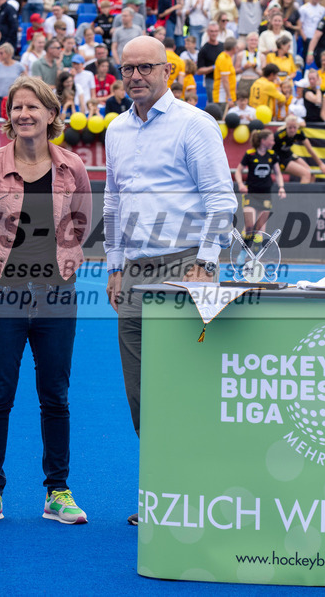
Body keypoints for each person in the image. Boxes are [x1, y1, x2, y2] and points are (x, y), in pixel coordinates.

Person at [104, 36, 238, 525]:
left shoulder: (194, 125)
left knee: (185, 384)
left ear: (168, 71)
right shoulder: (116, 129)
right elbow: (114, 203)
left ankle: (197, 489)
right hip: (135, 272)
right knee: (140, 390)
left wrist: (205, 262)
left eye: (146, 67)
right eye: (127, 68)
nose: (136, 76)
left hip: (186, 265)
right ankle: (164, 488)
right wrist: (115, 264)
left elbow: (222, 199)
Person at [0, 76, 92, 527]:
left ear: (52, 114)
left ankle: (58, 491)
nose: (25, 115)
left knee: (55, 395)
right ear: (9, 116)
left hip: (57, 294)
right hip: (2, 293)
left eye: (34, 107)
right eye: (17, 107)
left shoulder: (72, 166)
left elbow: (82, 221)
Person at [235, 129, 286, 237]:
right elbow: (238, 171)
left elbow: (278, 173)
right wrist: (240, 184)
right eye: (271, 140)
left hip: (265, 195)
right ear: (263, 141)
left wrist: (281, 187)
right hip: (251, 194)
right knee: (249, 225)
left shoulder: (272, 155)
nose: (273, 143)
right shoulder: (250, 154)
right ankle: (243, 252)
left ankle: (257, 252)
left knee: (260, 229)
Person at [274, 115, 325, 183]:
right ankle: (302, 194)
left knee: (312, 174)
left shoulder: (299, 133)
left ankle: (310, 193)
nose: (292, 130)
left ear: (297, 126)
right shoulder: (279, 136)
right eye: (290, 128)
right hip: (280, 159)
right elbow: (269, 149)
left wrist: (321, 164)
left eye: (294, 127)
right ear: (286, 127)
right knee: (306, 174)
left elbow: (310, 149)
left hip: (289, 154)